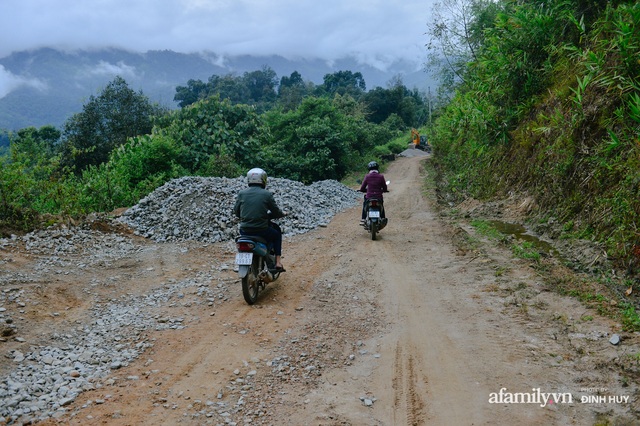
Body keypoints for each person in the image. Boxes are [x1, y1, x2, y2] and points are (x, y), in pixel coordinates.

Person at [233, 168, 286, 270]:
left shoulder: (242, 193)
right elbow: (275, 212)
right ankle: (278, 262)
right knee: (276, 233)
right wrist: (282, 214)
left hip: (245, 230)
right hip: (262, 230)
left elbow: (236, 212)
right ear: (263, 179)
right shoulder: (267, 194)